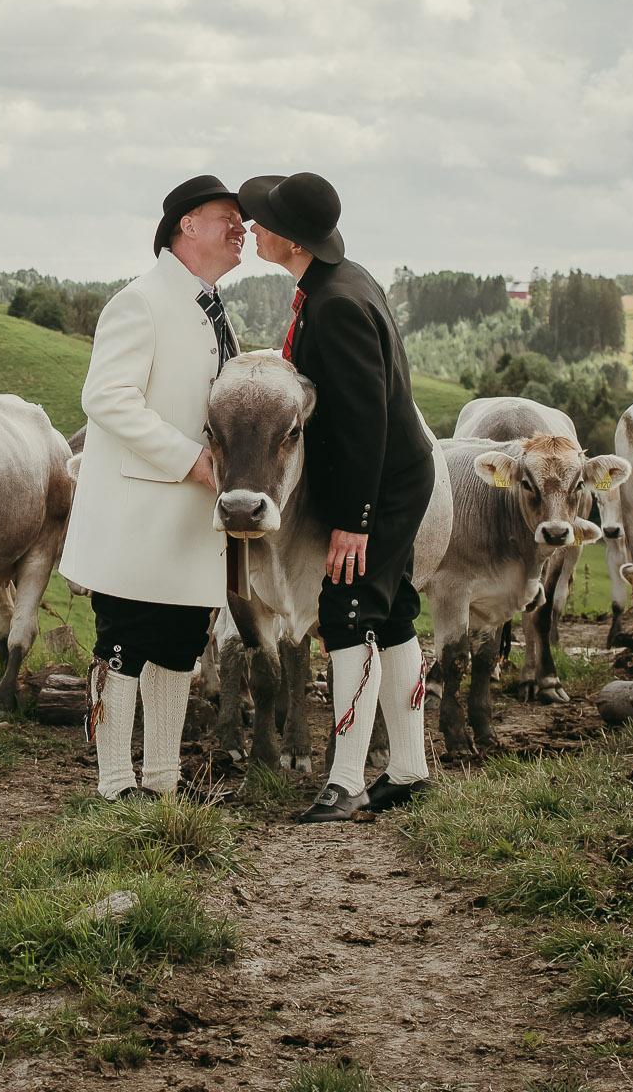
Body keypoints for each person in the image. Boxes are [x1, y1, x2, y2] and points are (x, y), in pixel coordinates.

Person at [238, 171, 435, 823]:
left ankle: (346, 780)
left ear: (291, 239)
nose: (252, 229)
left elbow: (363, 421)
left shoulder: (336, 303)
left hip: (379, 484)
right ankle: (408, 770)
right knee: (394, 612)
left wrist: (355, 521)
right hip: (391, 477)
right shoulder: (335, 283)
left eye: (262, 222)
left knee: (348, 617)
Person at [57, 175, 245, 800]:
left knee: (180, 644)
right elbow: (106, 398)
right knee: (125, 643)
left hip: (192, 517)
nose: (240, 228)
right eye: (228, 217)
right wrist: (192, 459)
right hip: (140, 510)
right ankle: (114, 783)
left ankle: (161, 779)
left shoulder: (206, 307)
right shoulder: (140, 300)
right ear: (187, 224)